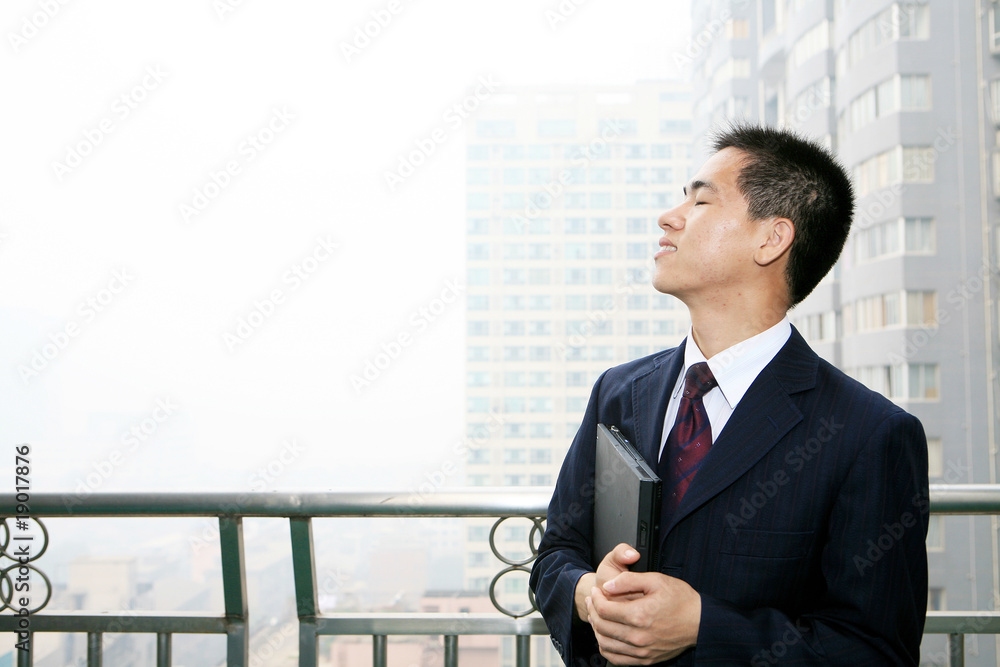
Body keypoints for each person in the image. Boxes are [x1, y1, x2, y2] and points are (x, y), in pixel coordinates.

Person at [528, 123, 929, 666]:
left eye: (700, 200)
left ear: (772, 238)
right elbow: (556, 555)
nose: (669, 216)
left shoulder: (869, 434)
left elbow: (874, 650)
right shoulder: (619, 393)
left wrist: (702, 626)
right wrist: (588, 596)